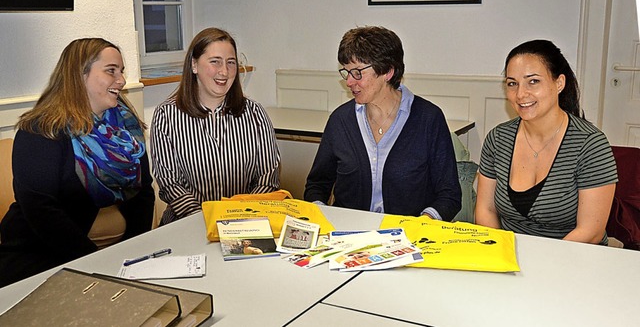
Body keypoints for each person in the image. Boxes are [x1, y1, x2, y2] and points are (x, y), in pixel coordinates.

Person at [0, 38, 155, 288]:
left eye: (121, 71)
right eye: (111, 70)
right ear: (79, 75)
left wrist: (133, 253)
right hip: (40, 256)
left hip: (111, 257)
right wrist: (96, 265)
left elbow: (143, 190)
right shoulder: (40, 129)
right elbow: (40, 209)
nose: (122, 80)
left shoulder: (124, 124)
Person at [304, 26, 461, 220]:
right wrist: (321, 214)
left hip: (407, 237)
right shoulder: (340, 120)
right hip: (347, 237)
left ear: (387, 71)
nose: (349, 82)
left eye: (358, 73)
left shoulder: (428, 119)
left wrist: (423, 223)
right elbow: (317, 185)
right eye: (346, 72)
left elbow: (449, 195)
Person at [475, 39, 618, 245]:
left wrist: (542, 267)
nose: (521, 94)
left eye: (533, 81)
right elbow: (485, 210)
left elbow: (590, 231)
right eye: (512, 83)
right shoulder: (498, 139)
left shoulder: (590, 145)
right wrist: (501, 253)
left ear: (559, 83)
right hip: (509, 257)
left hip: (572, 257)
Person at [151, 27, 280, 224]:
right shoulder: (166, 116)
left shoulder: (255, 114)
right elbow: (170, 184)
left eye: (231, 63)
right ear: (194, 65)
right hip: (187, 225)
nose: (224, 72)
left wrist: (239, 219)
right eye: (215, 62)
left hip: (245, 224)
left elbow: (267, 178)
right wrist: (206, 220)